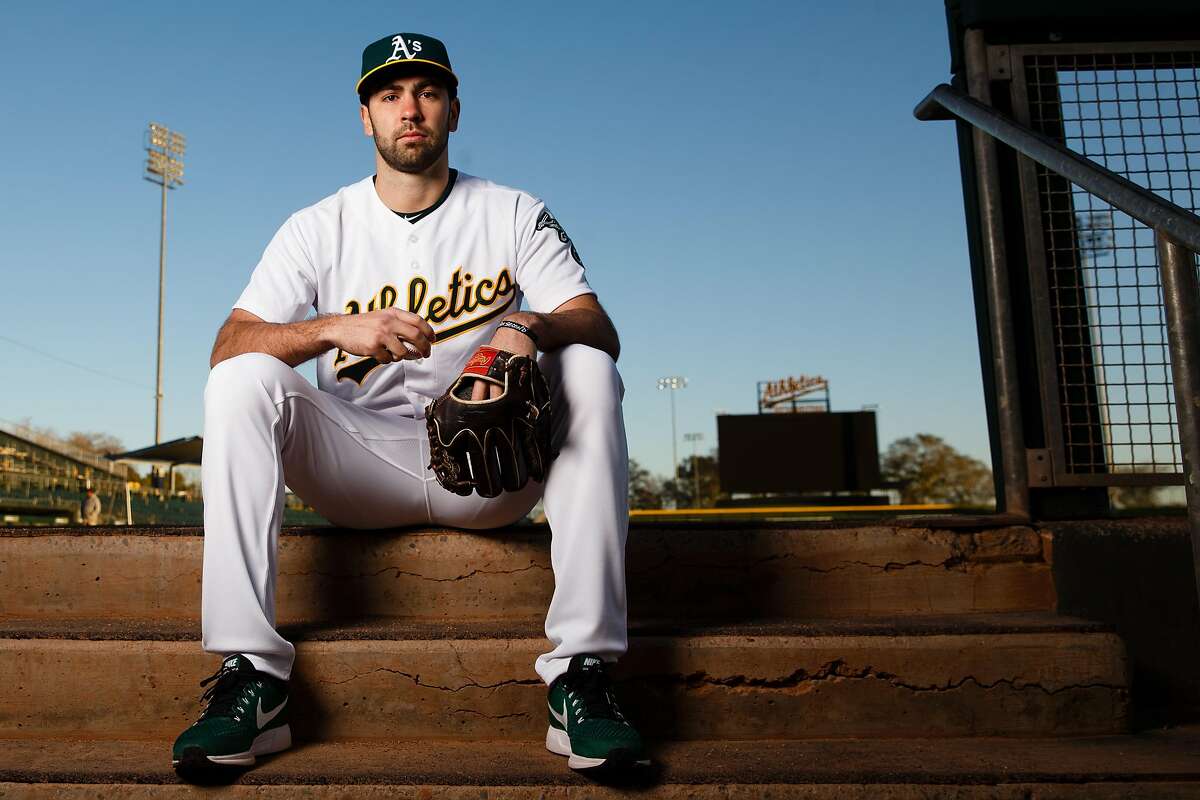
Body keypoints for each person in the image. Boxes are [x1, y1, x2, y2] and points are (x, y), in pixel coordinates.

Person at [171, 32, 647, 775]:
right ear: (366, 117)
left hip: (490, 471)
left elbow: (596, 323)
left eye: (427, 91)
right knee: (241, 379)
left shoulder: (514, 211)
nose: (410, 109)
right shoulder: (316, 226)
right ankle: (253, 677)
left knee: (584, 363)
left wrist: (525, 324)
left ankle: (582, 676)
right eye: (390, 95)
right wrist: (330, 328)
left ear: (454, 110)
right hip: (362, 464)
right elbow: (226, 345)